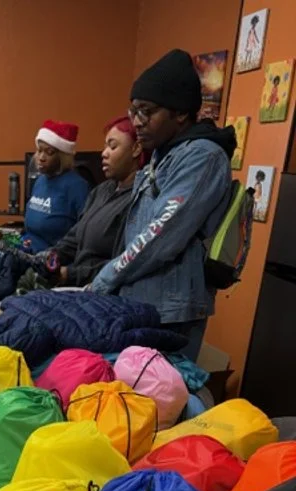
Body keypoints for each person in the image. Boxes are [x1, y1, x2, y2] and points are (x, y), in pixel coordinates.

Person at [88, 49, 235, 362]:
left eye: (146, 112)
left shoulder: (202, 157)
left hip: (170, 312)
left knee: (158, 400)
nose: (137, 122)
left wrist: (105, 278)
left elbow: (159, 235)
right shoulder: (165, 152)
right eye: (133, 112)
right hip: (142, 300)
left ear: (180, 113)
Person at [53, 116, 146, 286]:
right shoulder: (102, 190)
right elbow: (75, 237)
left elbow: (123, 263)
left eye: (113, 146)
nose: (104, 153)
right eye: (105, 146)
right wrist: (51, 257)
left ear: (136, 149)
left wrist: (70, 274)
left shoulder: (140, 200)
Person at [23, 120, 89, 252]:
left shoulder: (77, 186)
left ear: (62, 156)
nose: (41, 157)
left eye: (49, 152)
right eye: (39, 150)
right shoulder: (40, 181)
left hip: (52, 261)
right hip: (26, 251)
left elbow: (85, 235)